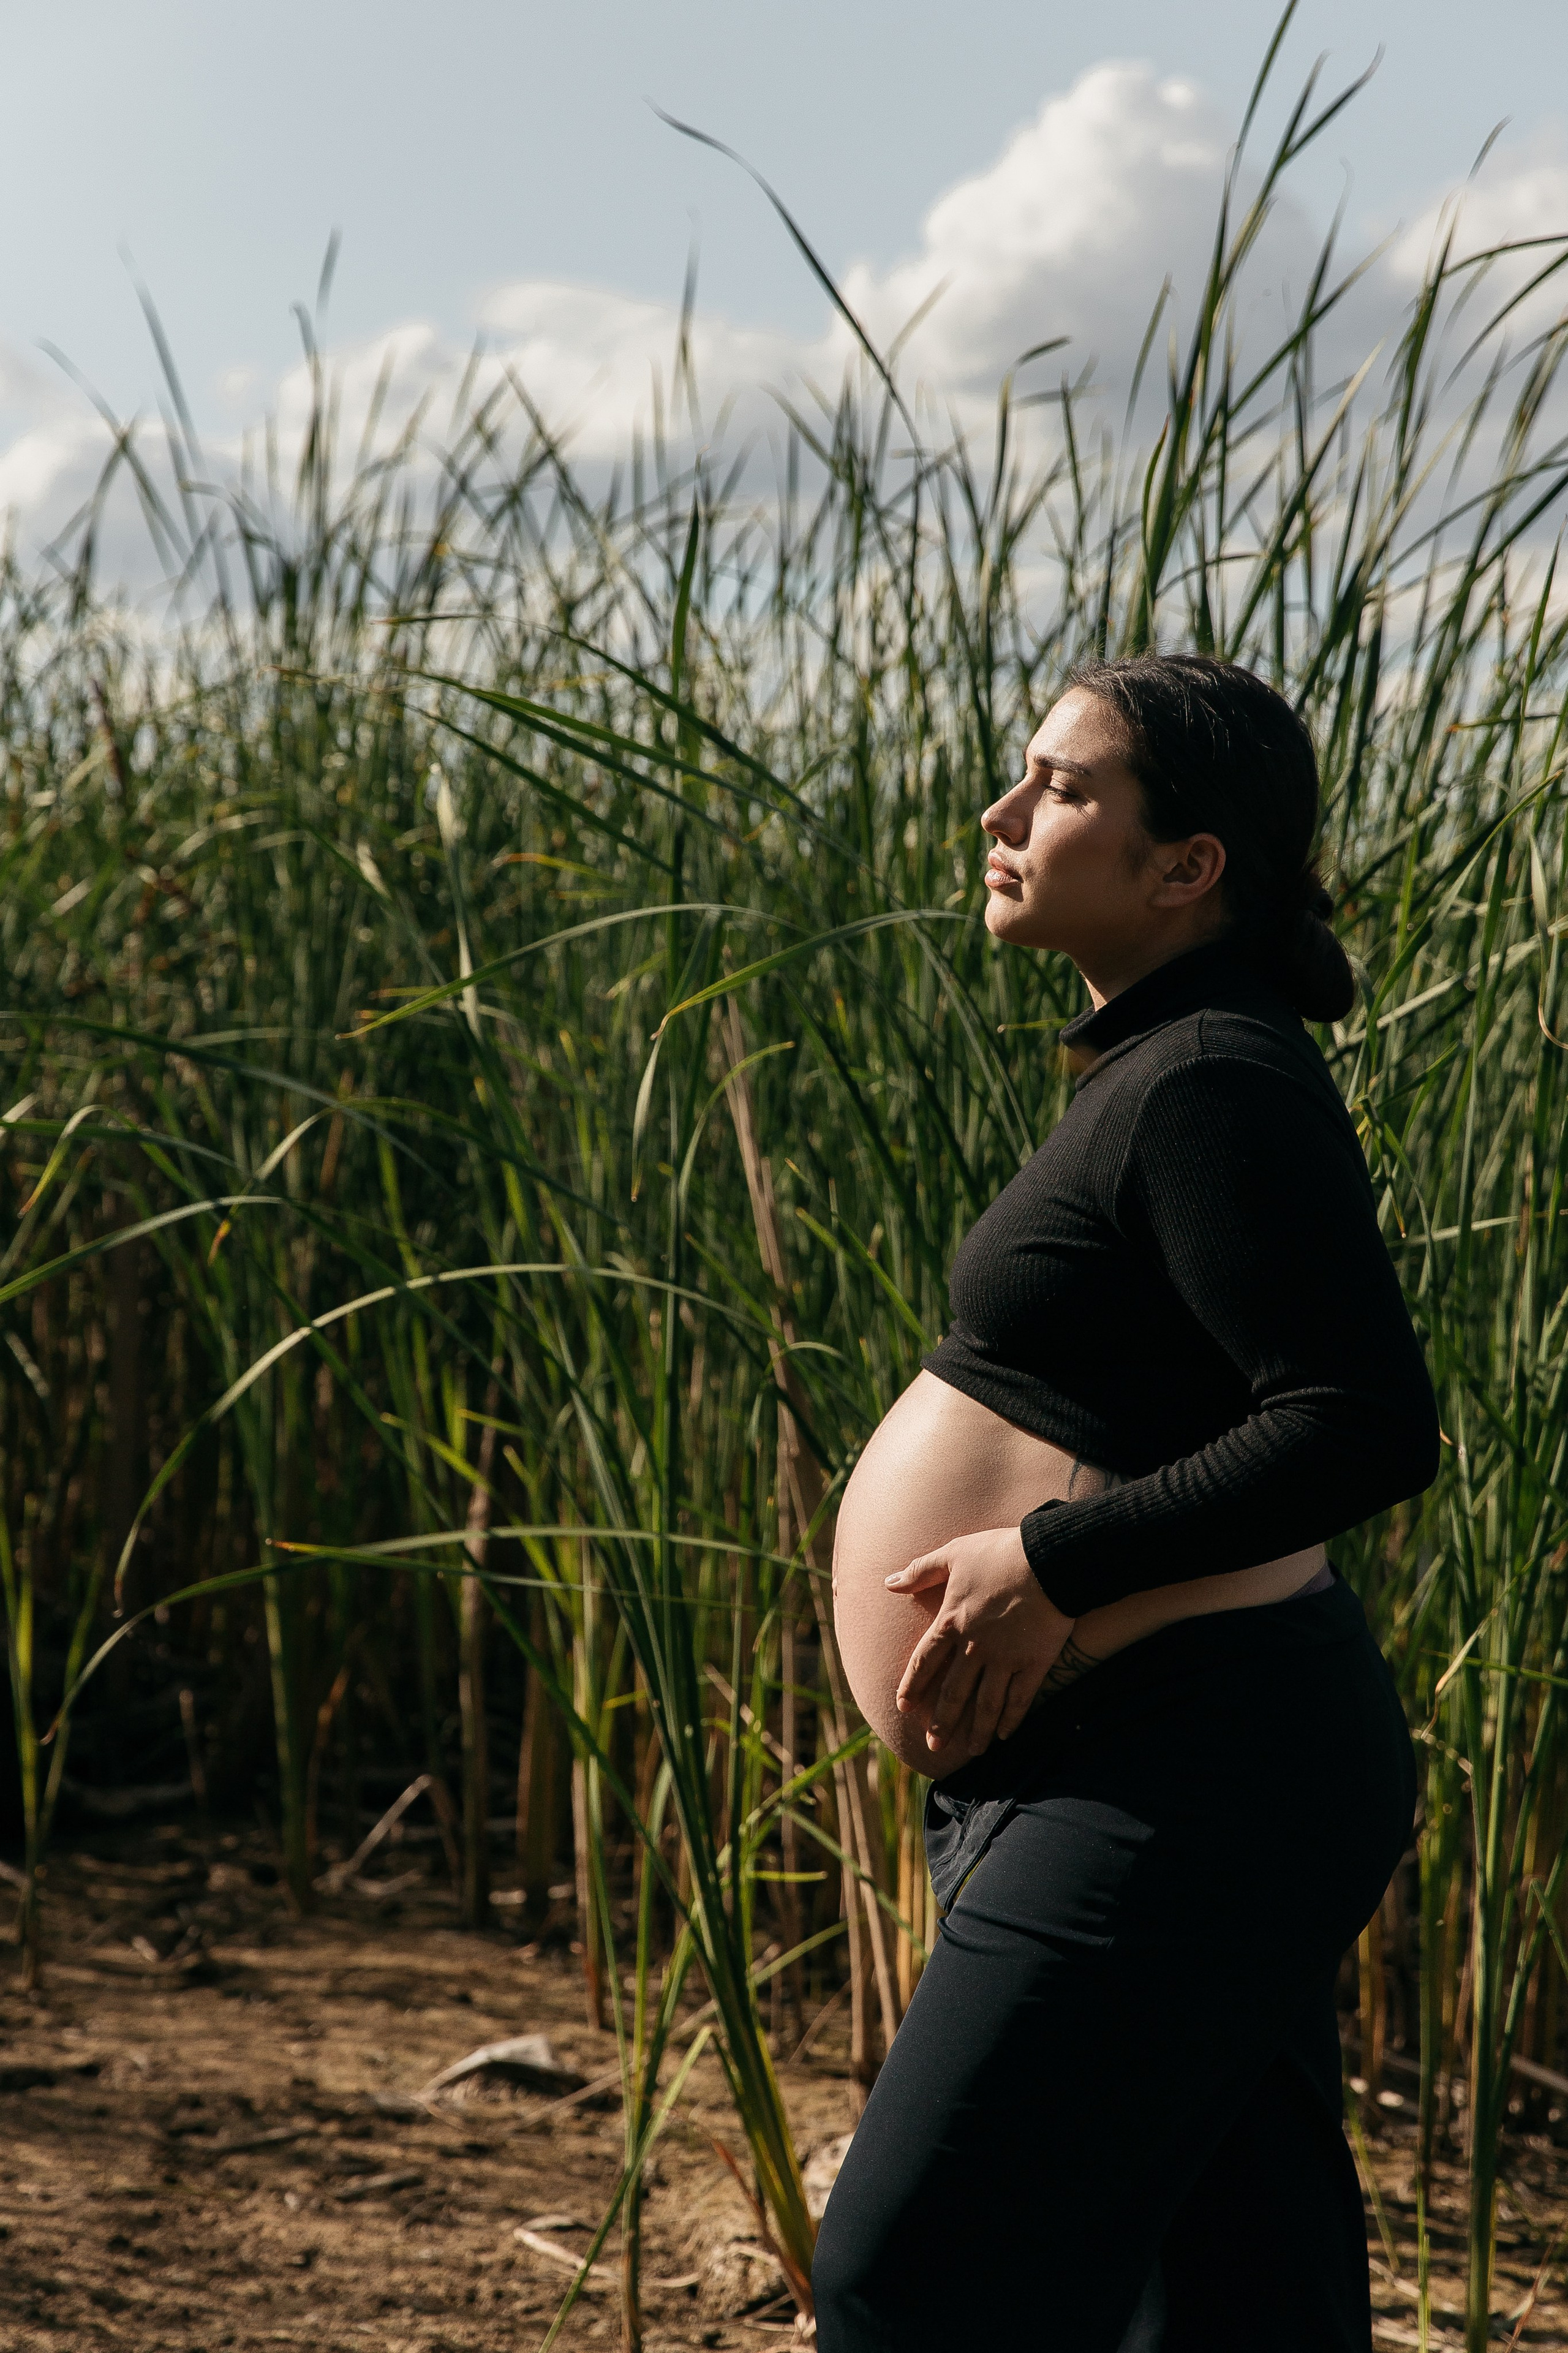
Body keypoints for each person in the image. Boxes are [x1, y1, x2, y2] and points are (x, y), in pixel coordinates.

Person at [813, 655, 1438, 2353]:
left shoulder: (1214, 1078)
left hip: (1188, 1773)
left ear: (1189, 866)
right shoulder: (1162, 1066)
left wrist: (1048, 1560)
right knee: (1239, 2303)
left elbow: (1363, 1422)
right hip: (1158, 1766)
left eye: (1061, 788)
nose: (1001, 818)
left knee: (913, 2276)